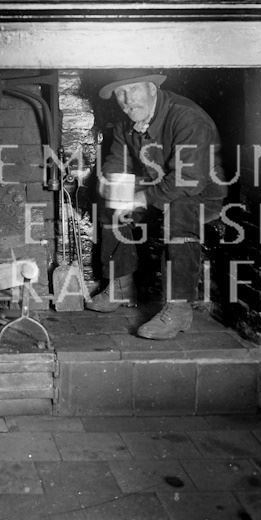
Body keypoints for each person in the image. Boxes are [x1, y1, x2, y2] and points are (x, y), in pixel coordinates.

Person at [85, 70, 226, 340]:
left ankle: (179, 309)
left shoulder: (187, 118)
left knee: (181, 212)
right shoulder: (130, 121)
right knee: (109, 204)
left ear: (152, 88)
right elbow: (118, 159)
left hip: (201, 191)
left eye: (133, 90)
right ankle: (121, 284)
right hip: (158, 185)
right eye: (120, 94)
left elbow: (189, 179)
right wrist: (112, 182)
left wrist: (142, 198)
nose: (127, 100)